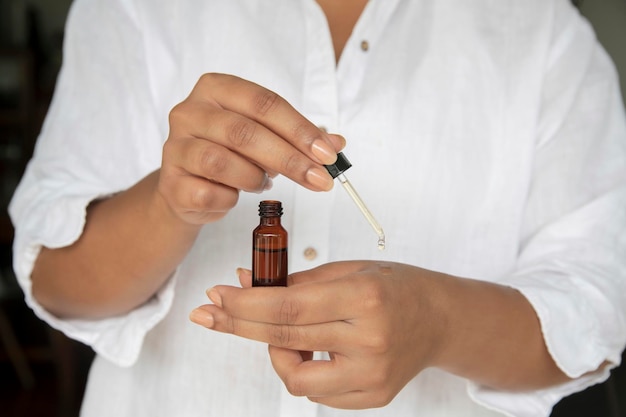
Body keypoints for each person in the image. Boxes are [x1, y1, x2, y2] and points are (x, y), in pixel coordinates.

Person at [9, 0, 626, 416]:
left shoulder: (541, 30)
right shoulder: (137, 9)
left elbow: (595, 311)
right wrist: (170, 202)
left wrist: (440, 321)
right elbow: (56, 281)